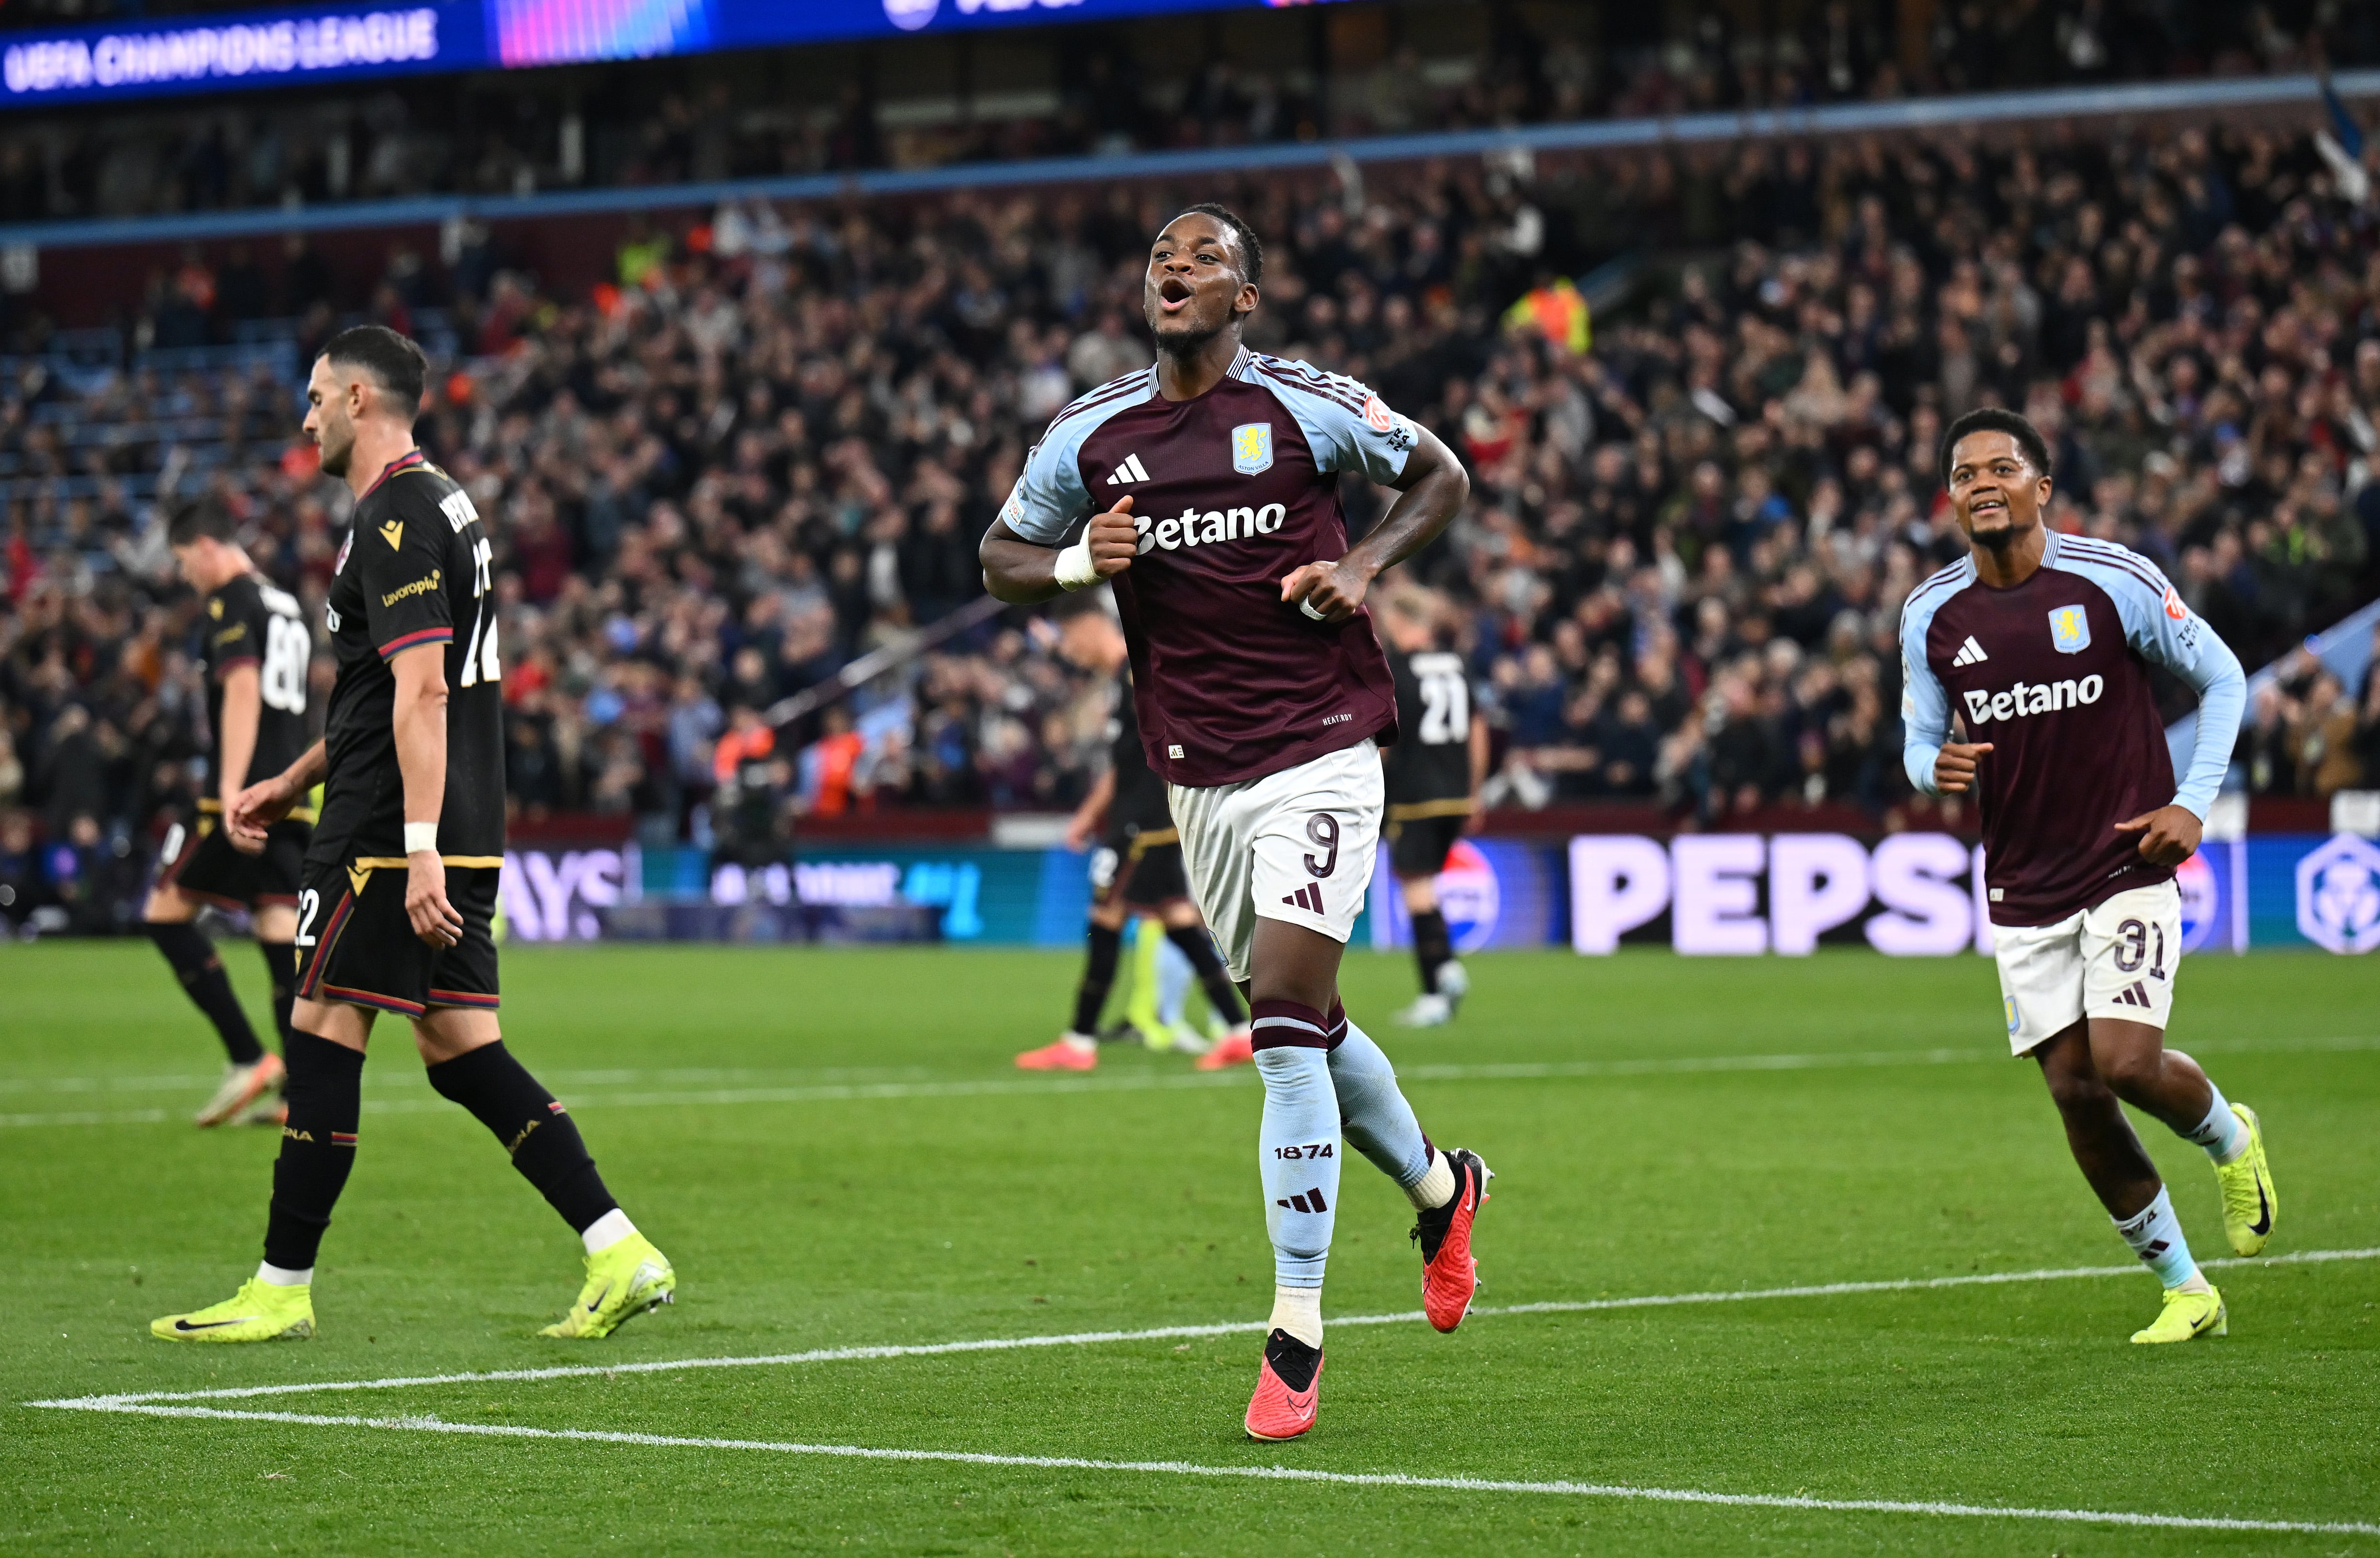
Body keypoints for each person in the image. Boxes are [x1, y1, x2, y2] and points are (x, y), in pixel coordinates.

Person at [981, 204, 1487, 1440]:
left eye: (1205, 259)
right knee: (1310, 1021)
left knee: (1279, 1038)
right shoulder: (1090, 434)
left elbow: (1441, 475)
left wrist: (1361, 567)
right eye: (1162, 258)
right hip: (1197, 775)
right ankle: (1441, 1186)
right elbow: (998, 556)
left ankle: (1295, 1330)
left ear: (1244, 298)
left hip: (1323, 749)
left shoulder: (1307, 405)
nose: (1176, 270)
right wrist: (1075, 564)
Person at [151, 325, 674, 1344]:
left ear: (358, 398)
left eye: (315, 398)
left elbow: (424, 688)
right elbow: (382, 689)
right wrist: (291, 780)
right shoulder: (445, 503)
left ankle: (280, 1287)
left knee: (319, 1031)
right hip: (456, 819)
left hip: (391, 834)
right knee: (461, 1052)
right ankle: (619, 1248)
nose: (305, 419)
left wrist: (417, 843)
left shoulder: (394, 514)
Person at [1902, 407, 2269, 1347]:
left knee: (2126, 1062)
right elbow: (1917, 737)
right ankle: (2186, 1289)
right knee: (2075, 1092)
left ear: (2042, 486)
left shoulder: (2112, 580)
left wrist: (2193, 803)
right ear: (1951, 500)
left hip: (2126, 861)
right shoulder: (1931, 615)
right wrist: (1930, 767)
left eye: (2001, 468)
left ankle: (2231, 1137)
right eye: (1965, 475)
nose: (1983, 484)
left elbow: (2226, 678)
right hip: (2023, 884)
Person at [147, 499, 315, 1126]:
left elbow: (243, 689)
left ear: (207, 546)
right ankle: (299, 1091)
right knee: (277, 924)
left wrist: (228, 790)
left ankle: (248, 1057)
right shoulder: (285, 603)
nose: (185, 574)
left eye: (183, 560)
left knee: (165, 914)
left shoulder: (231, 602)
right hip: (291, 791)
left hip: (245, 792)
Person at [1376, 589, 1487, 1027]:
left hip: (1414, 795)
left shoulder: (1396, 668)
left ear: (1401, 621)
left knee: (1416, 890)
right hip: (1456, 794)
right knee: (1427, 886)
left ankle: (1437, 984)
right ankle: (1444, 972)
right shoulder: (1457, 664)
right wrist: (1475, 790)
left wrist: (1372, 784)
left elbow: (1387, 736)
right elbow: (1478, 728)